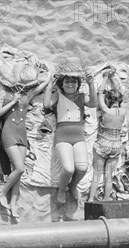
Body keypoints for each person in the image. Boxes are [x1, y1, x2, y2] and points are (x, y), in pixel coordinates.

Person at [0, 78, 50, 218]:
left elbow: (44, 83)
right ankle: (2, 193)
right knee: (19, 168)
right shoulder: (3, 93)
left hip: (22, 132)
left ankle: (13, 204)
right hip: (9, 131)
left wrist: (48, 74)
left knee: (18, 172)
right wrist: (13, 101)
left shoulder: (27, 93)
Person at [44, 70, 97, 204]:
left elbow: (93, 104)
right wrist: (49, 84)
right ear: (62, 84)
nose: (70, 84)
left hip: (78, 136)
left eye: (73, 81)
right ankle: (62, 189)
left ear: (78, 84)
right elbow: (46, 104)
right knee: (68, 169)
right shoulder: (58, 95)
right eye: (67, 81)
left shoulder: (81, 96)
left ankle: (73, 186)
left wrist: (91, 84)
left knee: (83, 168)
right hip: (62, 136)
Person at [89, 68, 127, 201]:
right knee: (108, 176)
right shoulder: (123, 111)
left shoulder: (105, 110)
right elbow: (121, 93)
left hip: (103, 142)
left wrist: (105, 77)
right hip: (116, 145)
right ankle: (106, 200)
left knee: (96, 174)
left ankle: (90, 200)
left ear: (108, 101)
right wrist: (113, 78)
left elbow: (99, 92)